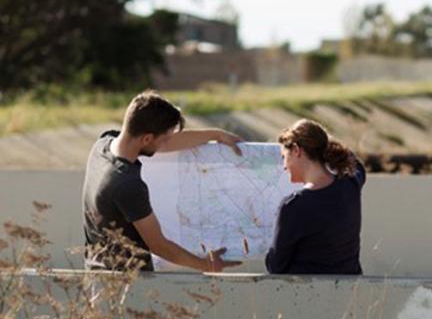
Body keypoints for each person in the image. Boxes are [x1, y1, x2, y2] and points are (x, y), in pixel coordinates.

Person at [82, 90, 242, 272]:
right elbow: (159, 246)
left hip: (96, 275)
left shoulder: (103, 144)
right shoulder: (127, 184)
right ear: (147, 138)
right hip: (126, 286)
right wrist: (206, 264)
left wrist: (217, 135)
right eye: (163, 139)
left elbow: (168, 142)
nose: (165, 144)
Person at [265, 119, 365, 274]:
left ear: (297, 150)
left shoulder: (293, 207)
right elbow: (355, 163)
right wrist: (322, 142)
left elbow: (275, 266)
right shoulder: (350, 185)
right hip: (351, 294)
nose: (284, 166)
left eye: (283, 156)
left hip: (307, 296)